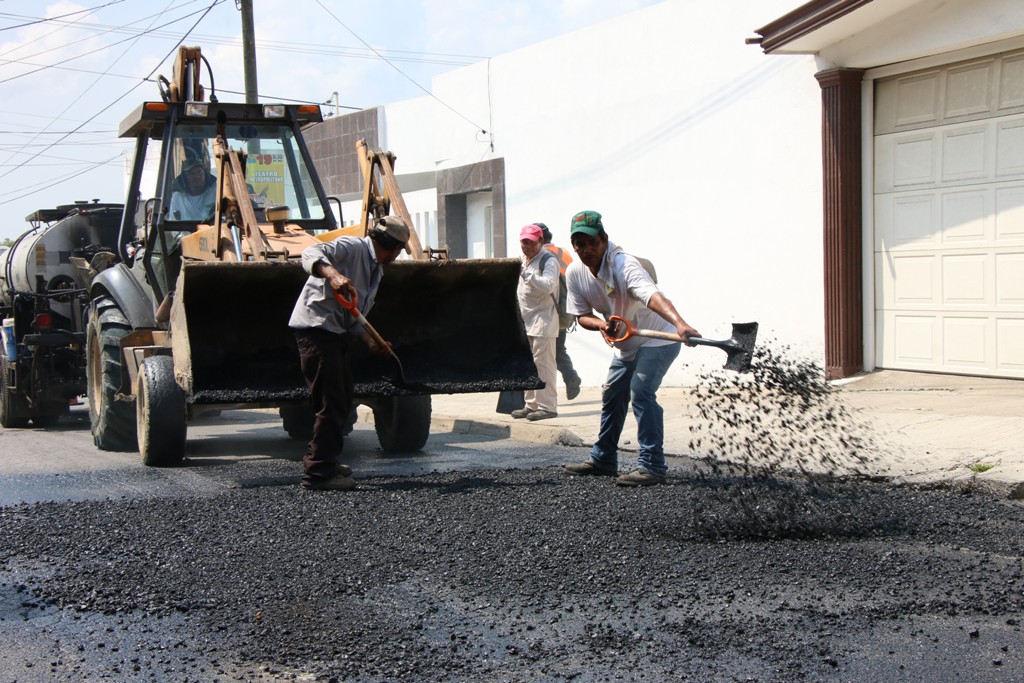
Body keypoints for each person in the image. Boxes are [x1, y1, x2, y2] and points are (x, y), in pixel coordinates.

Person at [562, 210, 700, 487]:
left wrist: (681, 323)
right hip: (627, 342)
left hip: (660, 338)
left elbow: (652, 297)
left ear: (604, 240)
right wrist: (601, 325)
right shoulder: (576, 272)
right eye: (579, 243)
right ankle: (603, 459)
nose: (586, 249)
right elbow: (581, 316)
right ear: (573, 244)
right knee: (613, 395)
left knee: (641, 392)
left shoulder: (624, 265)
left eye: (592, 243)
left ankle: (652, 465)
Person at [288, 216, 410, 490]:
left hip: (335, 333)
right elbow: (310, 251)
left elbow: (353, 313)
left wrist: (369, 341)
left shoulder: (375, 269)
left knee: (342, 401)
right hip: (316, 331)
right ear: (392, 246)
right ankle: (318, 474)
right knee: (330, 404)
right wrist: (332, 274)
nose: (398, 255)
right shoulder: (352, 248)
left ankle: (326, 461)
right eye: (399, 249)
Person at [511, 223, 559, 421]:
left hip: (543, 320)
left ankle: (547, 407)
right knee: (529, 365)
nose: (526, 246)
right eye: (523, 242)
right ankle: (530, 405)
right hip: (526, 320)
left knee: (544, 366)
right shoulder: (525, 260)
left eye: (530, 242)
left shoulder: (548, 260)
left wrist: (526, 273)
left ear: (540, 242)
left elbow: (548, 286)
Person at [537, 222, 583, 400]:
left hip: (549, 308)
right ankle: (571, 378)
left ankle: (566, 382)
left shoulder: (542, 256)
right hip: (566, 308)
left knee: (548, 353)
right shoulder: (563, 251)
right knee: (558, 349)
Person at [168, 155, 217, 221]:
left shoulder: (216, 192)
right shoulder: (178, 197)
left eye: (199, 172)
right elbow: (173, 222)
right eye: (191, 173)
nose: (196, 176)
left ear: (205, 173)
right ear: (184, 178)